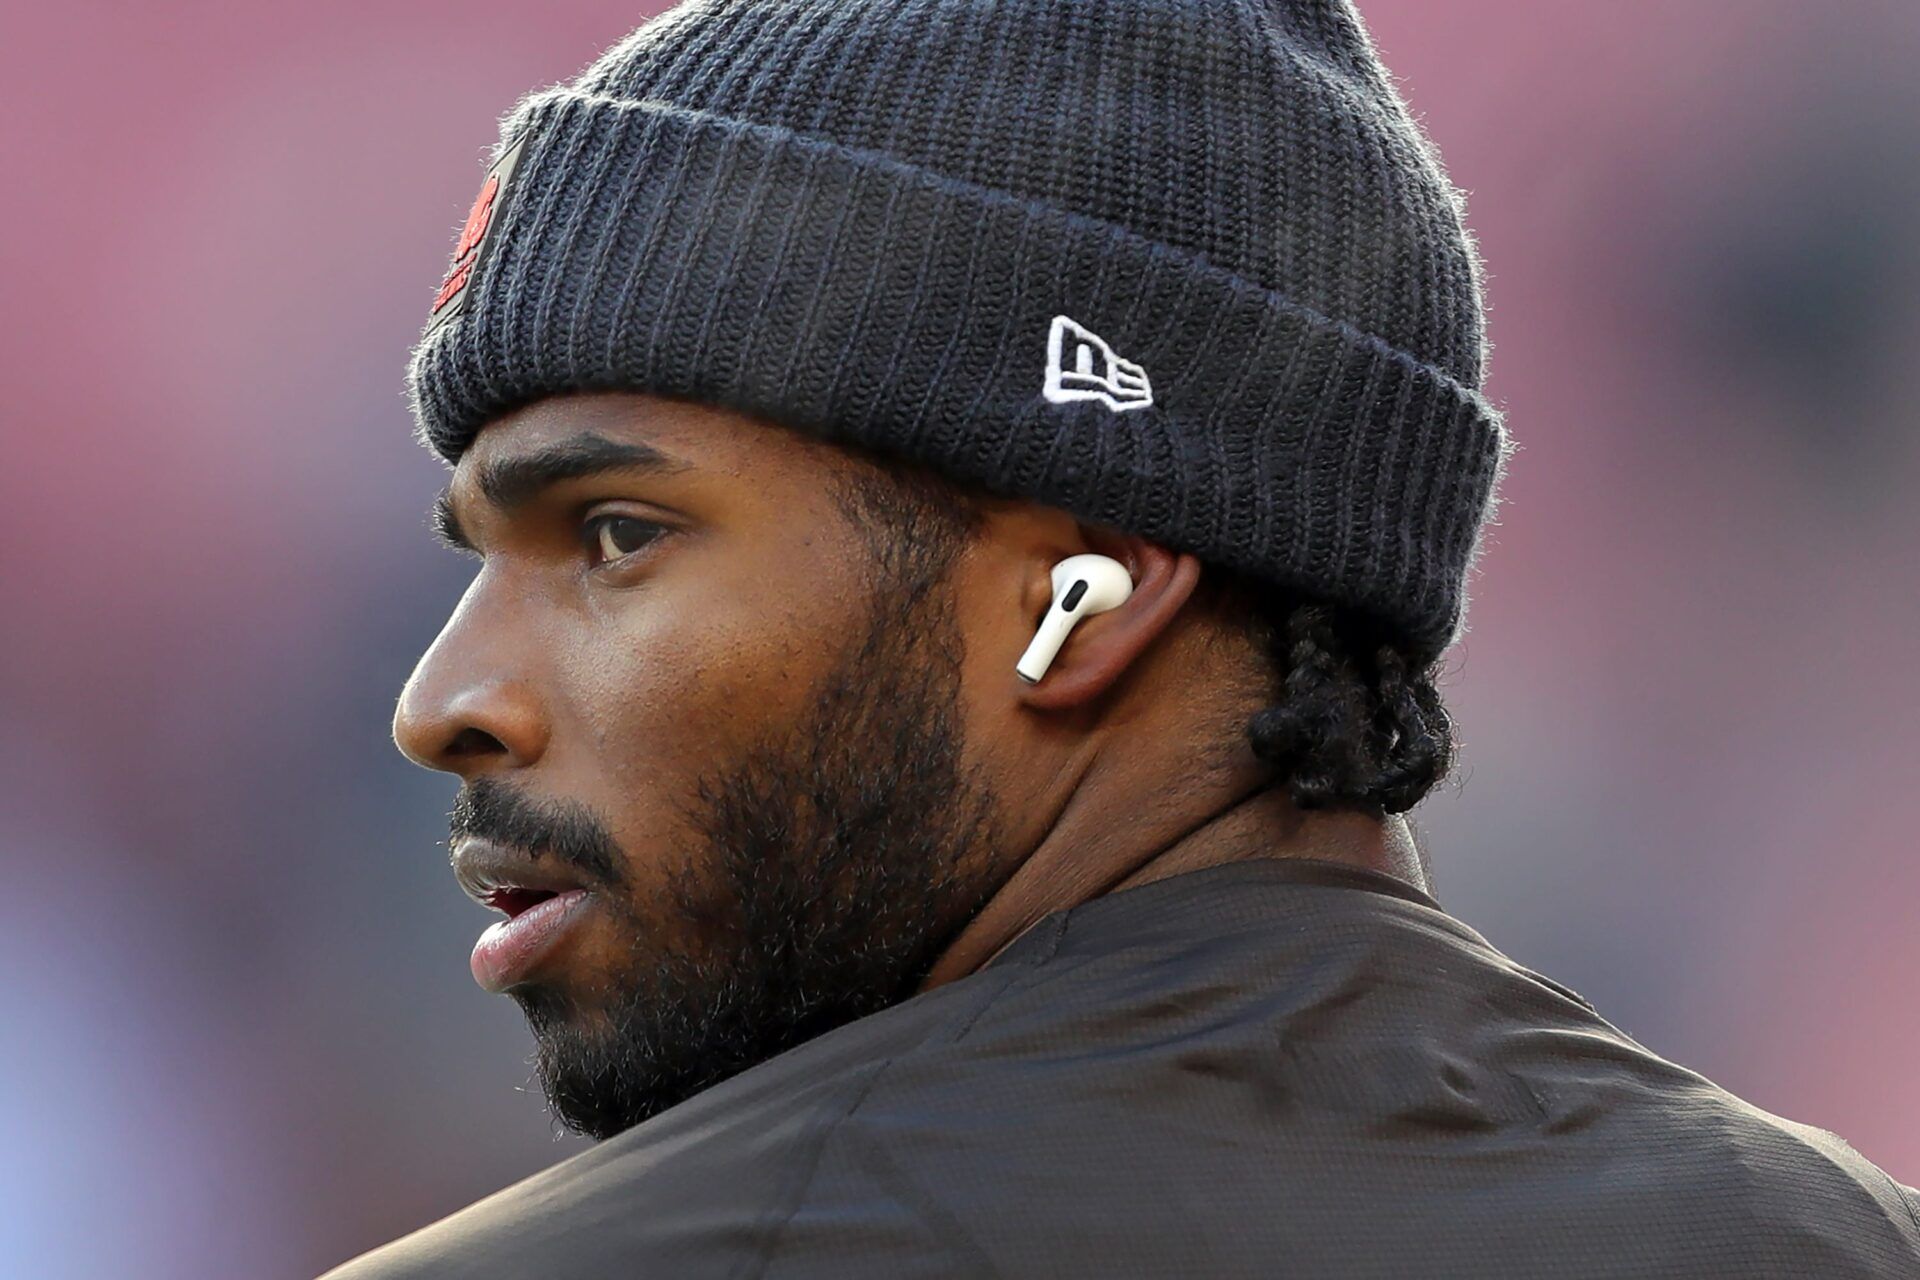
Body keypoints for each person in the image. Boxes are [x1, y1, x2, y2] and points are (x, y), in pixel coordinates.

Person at [321, 1, 1920, 1275]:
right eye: (480, 555)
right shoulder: (1840, 1243)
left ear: (1074, 595)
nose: (445, 702)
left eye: (616, 537)